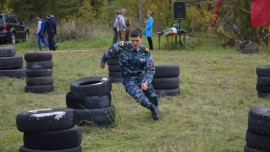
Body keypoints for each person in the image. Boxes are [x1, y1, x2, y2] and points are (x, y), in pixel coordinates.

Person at [100, 29, 159, 120]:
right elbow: (110, 51)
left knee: (152, 95)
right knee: (139, 97)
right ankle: (151, 107)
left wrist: (146, 82)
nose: (134, 43)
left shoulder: (145, 52)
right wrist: (103, 60)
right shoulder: (122, 46)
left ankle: (155, 109)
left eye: (137, 40)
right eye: (132, 40)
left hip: (141, 77)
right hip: (128, 79)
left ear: (141, 39)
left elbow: (151, 69)